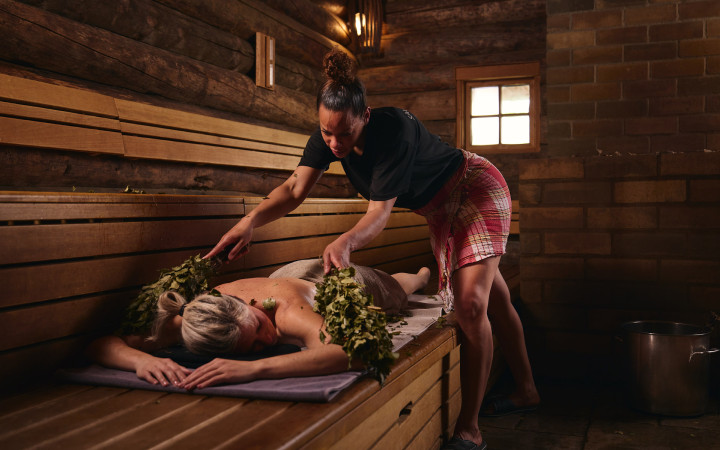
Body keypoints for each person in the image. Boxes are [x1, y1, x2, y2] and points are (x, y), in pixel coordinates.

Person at [205, 49, 539, 450]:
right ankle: (526, 390)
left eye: (344, 133)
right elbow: (294, 189)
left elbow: (379, 213)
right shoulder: (328, 138)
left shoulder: (394, 130)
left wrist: (345, 241)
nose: (335, 143)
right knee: (492, 298)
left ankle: (469, 430)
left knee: (470, 306)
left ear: (365, 115)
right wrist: (249, 221)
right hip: (439, 210)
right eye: (326, 133)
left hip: (474, 189)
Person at [87, 259, 430, 390]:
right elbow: (102, 344)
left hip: (330, 282)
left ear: (248, 307)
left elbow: (349, 353)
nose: (267, 339)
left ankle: (421, 275)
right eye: (252, 347)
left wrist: (253, 368)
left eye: (259, 327)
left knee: (396, 292)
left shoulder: (288, 313)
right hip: (284, 275)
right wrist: (142, 360)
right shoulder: (194, 318)